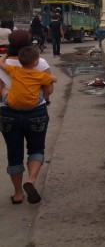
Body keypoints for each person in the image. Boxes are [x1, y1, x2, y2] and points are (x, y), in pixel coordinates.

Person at [0, 31, 55, 204]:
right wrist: (44, 99)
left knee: (14, 152)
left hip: (8, 113)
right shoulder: (39, 62)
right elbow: (49, 89)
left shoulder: (7, 65)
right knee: (36, 149)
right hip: (36, 113)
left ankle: (17, 194)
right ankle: (30, 181)